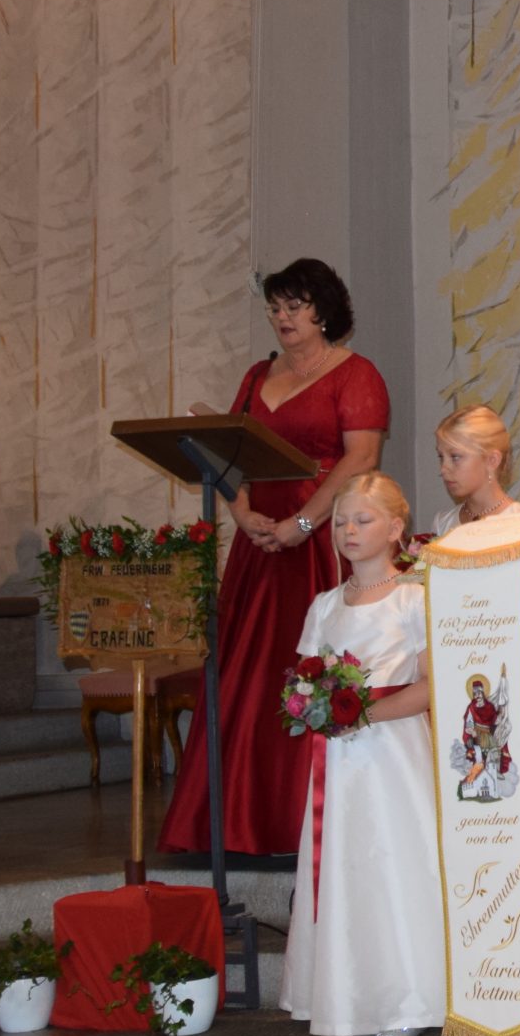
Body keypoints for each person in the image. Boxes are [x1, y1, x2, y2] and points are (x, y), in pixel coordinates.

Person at [158, 259, 389, 856]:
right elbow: (229, 451)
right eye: (275, 308)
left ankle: (301, 822)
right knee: (248, 677)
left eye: (294, 306)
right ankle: (236, 820)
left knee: (306, 668)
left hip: (320, 539)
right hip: (260, 541)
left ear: (324, 311)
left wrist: (303, 523)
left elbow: (360, 460)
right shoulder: (256, 374)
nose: (282, 317)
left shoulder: (356, 374)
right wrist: (240, 511)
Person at [282, 472, 445, 1036]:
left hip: (393, 754)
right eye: (340, 522)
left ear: (396, 528)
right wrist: (312, 704)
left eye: (363, 520)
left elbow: (433, 686)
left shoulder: (414, 599)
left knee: (394, 864)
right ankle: (350, 1001)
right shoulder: (325, 605)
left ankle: (407, 999)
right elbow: (304, 677)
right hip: (338, 762)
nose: (348, 531)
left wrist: (366, 714)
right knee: (347, 869)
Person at [431, 405, 520, 536]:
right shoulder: (443, 524)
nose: (443, 469)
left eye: (455, 457)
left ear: (492, 460)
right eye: (441, 457)